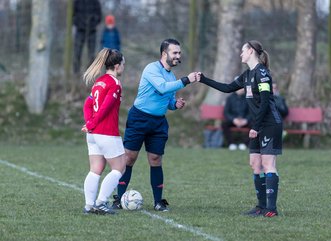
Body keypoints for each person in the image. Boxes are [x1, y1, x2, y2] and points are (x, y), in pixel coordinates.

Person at [111, 38, 198, 212]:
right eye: (174, 53)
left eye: (179, 53)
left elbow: (168, 99)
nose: (178, 56)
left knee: (156, 160)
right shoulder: (151, 69)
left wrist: (175, 105)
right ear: (164, 54)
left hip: (158, 122)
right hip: (139, 118)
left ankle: (158, 201)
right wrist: (186, 80)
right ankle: (119, 199)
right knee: (129, 158)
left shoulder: (171, 76)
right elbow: (163, 87)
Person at [199, 40, 282, 217]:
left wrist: (256, 127)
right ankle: (261, 207)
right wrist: (203, 79)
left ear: (251, 51)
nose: (240, 54)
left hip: (269, 125)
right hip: (258, 125)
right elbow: (227, 88)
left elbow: (266, 102)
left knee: (268, 164)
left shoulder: (263, 73)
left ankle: (271, 209)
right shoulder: (247, 75)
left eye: (242, 51)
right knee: (255, 164)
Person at [81, 48, 126, 215]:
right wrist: (92, 123)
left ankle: (89, 205)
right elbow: (105, 108)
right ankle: (100, 203)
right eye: (123, 64)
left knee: (96, 169)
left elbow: (87, 104)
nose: (123, 67)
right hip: (106, 132)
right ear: (116, 66)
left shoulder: (99, 82)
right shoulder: (114, 83)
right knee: (120, 168)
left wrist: (89, 124)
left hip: (92, 135)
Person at [73, 0, 102, 74]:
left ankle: (89, 76)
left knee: (91, 55)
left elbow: (99, 16)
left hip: (92, 31)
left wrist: (93, 22)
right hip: (80, 29)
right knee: (77, 53)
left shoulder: (95, 2)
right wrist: (78, 22)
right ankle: (76, 75)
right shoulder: (77, 1)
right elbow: (73, 14)